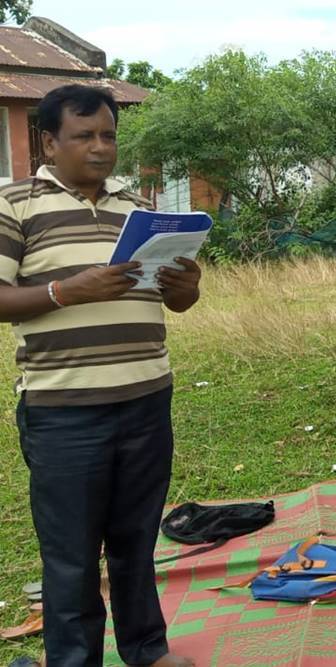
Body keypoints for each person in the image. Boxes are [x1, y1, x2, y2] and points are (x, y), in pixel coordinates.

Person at [0, 85, 200, 666]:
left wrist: (186, 288)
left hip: (145, 398)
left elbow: (178, 301)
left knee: (137, 542)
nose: (100, 148)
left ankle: (147, 651)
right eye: (84, 136)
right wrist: (66, 290)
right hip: (63, 412)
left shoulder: (138, 209)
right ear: (48, 141)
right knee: (71, 556)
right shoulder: (15, 205)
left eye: (108, 135)